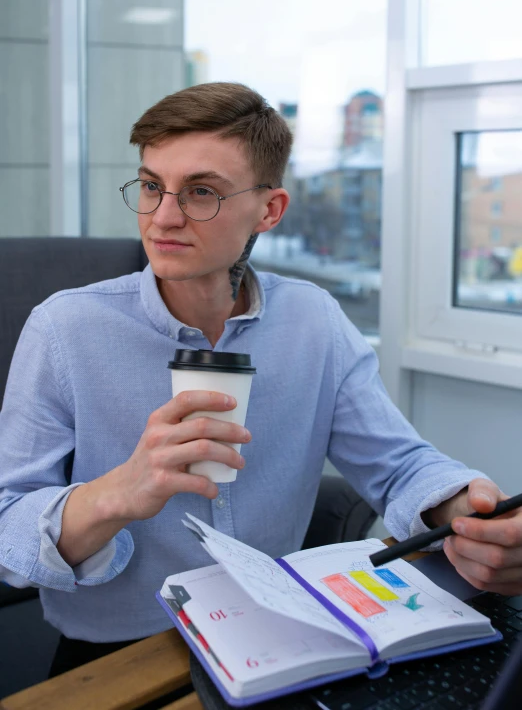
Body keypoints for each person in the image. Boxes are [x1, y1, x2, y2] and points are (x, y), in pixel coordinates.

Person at [0, 83, 521, 677]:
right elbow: (7, 528)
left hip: (284, 637)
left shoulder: (312, 319)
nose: (163, 217)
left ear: (269, 211)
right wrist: (117, 493)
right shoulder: (65, 328)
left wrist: (466, 508)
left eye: (201, 192)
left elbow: (400, 466)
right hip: (124, 653)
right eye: (151, 186)